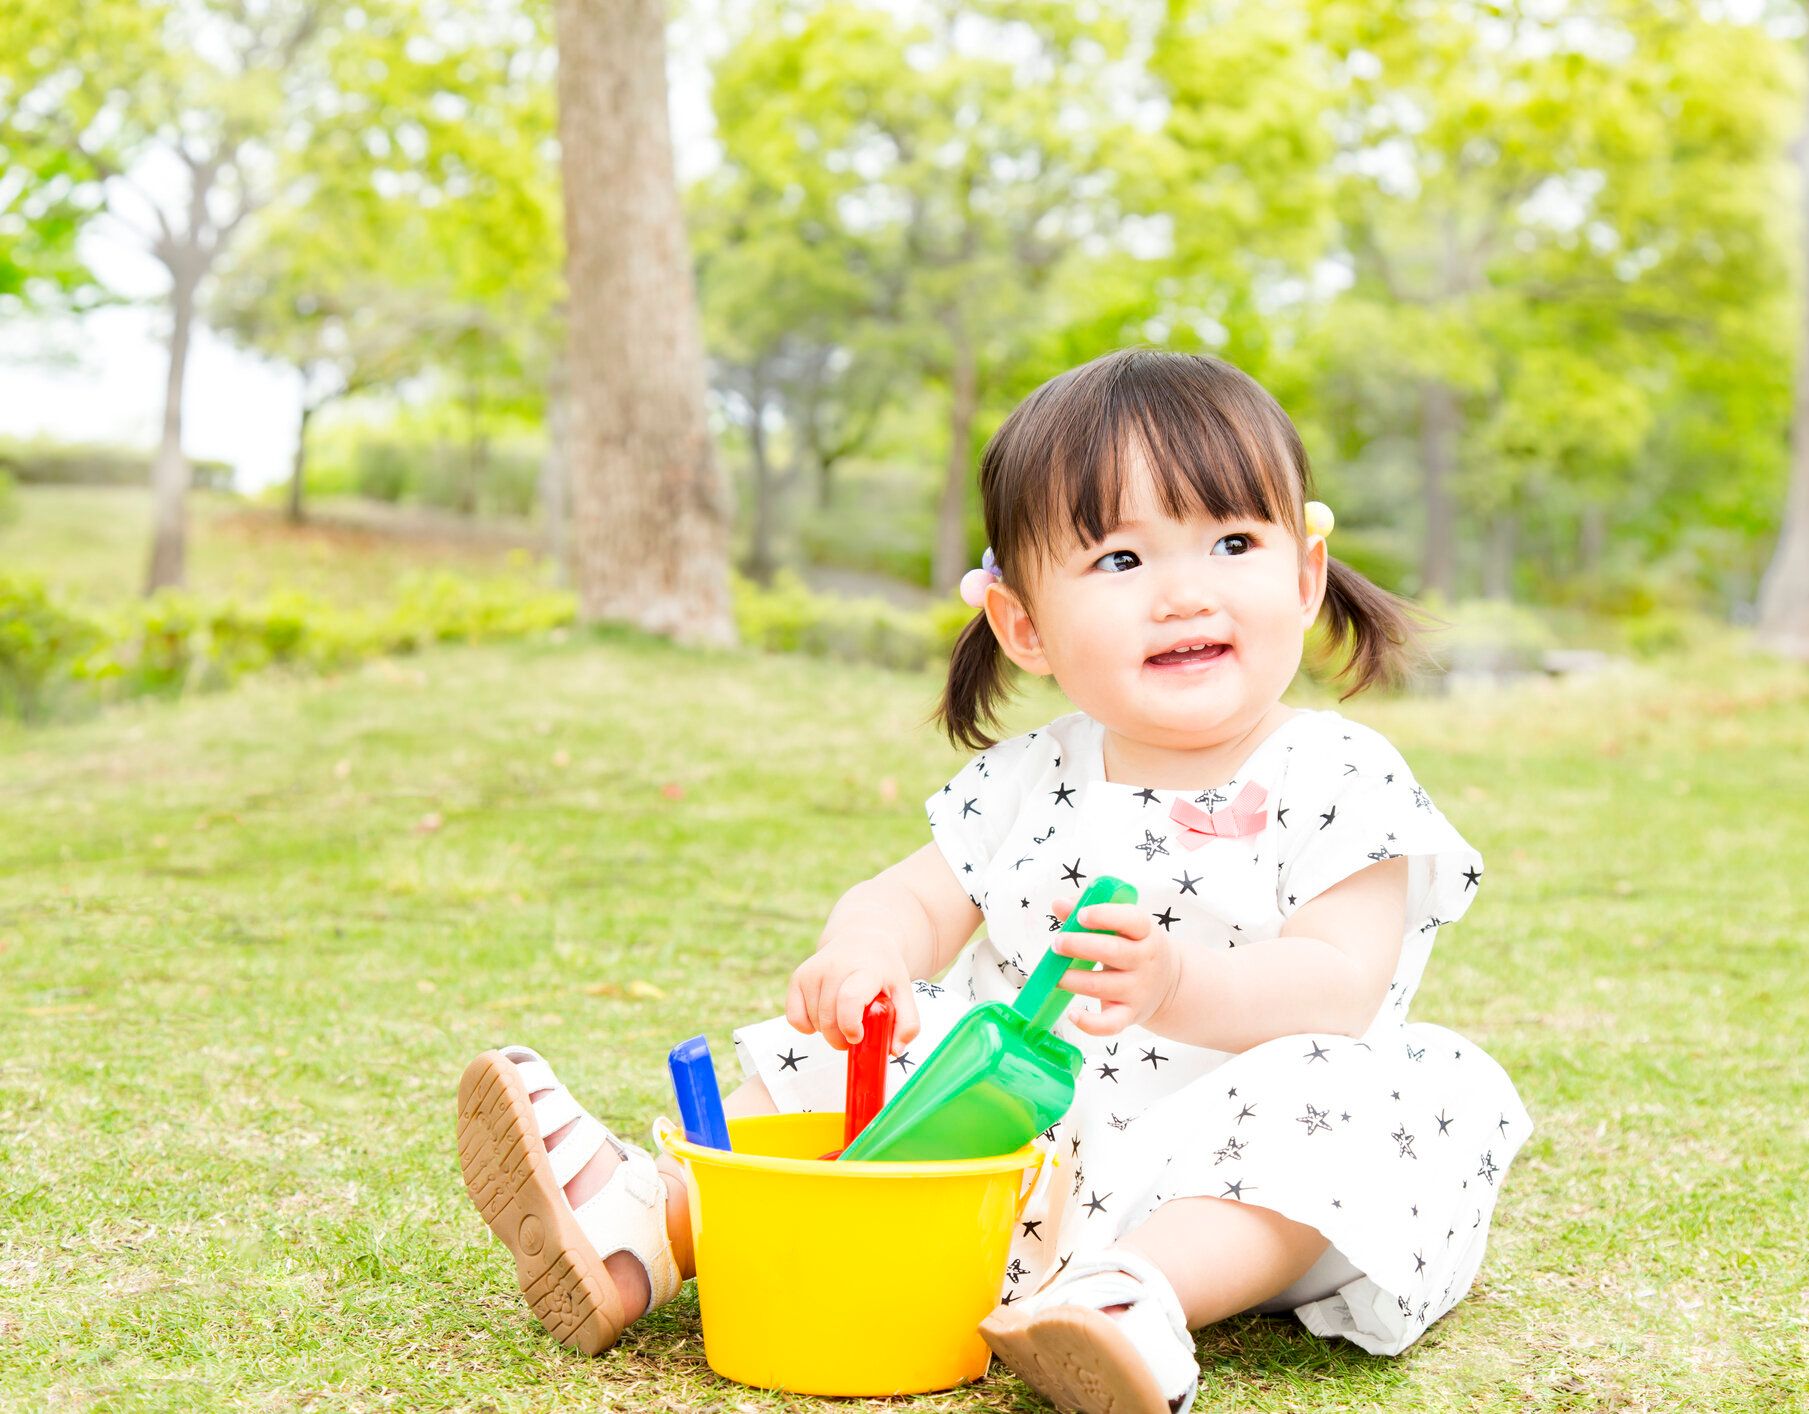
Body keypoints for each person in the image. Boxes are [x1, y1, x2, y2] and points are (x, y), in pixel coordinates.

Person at [455, 347, 1531, 1413]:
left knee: (1358, 1094)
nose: (1183, 592)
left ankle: (1133, 1300)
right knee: (880, 1037)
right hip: (1000, 1151)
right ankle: (645, 1230)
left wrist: (1175, 987)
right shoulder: (1028, 777)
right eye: (1120, 560)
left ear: (1304, 577)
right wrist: (865, 952)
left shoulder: (1338, 771)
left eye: (1232, 540)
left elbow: (1340, 984)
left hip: (1228, 1160)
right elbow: (913, 897)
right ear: (1023, 625)